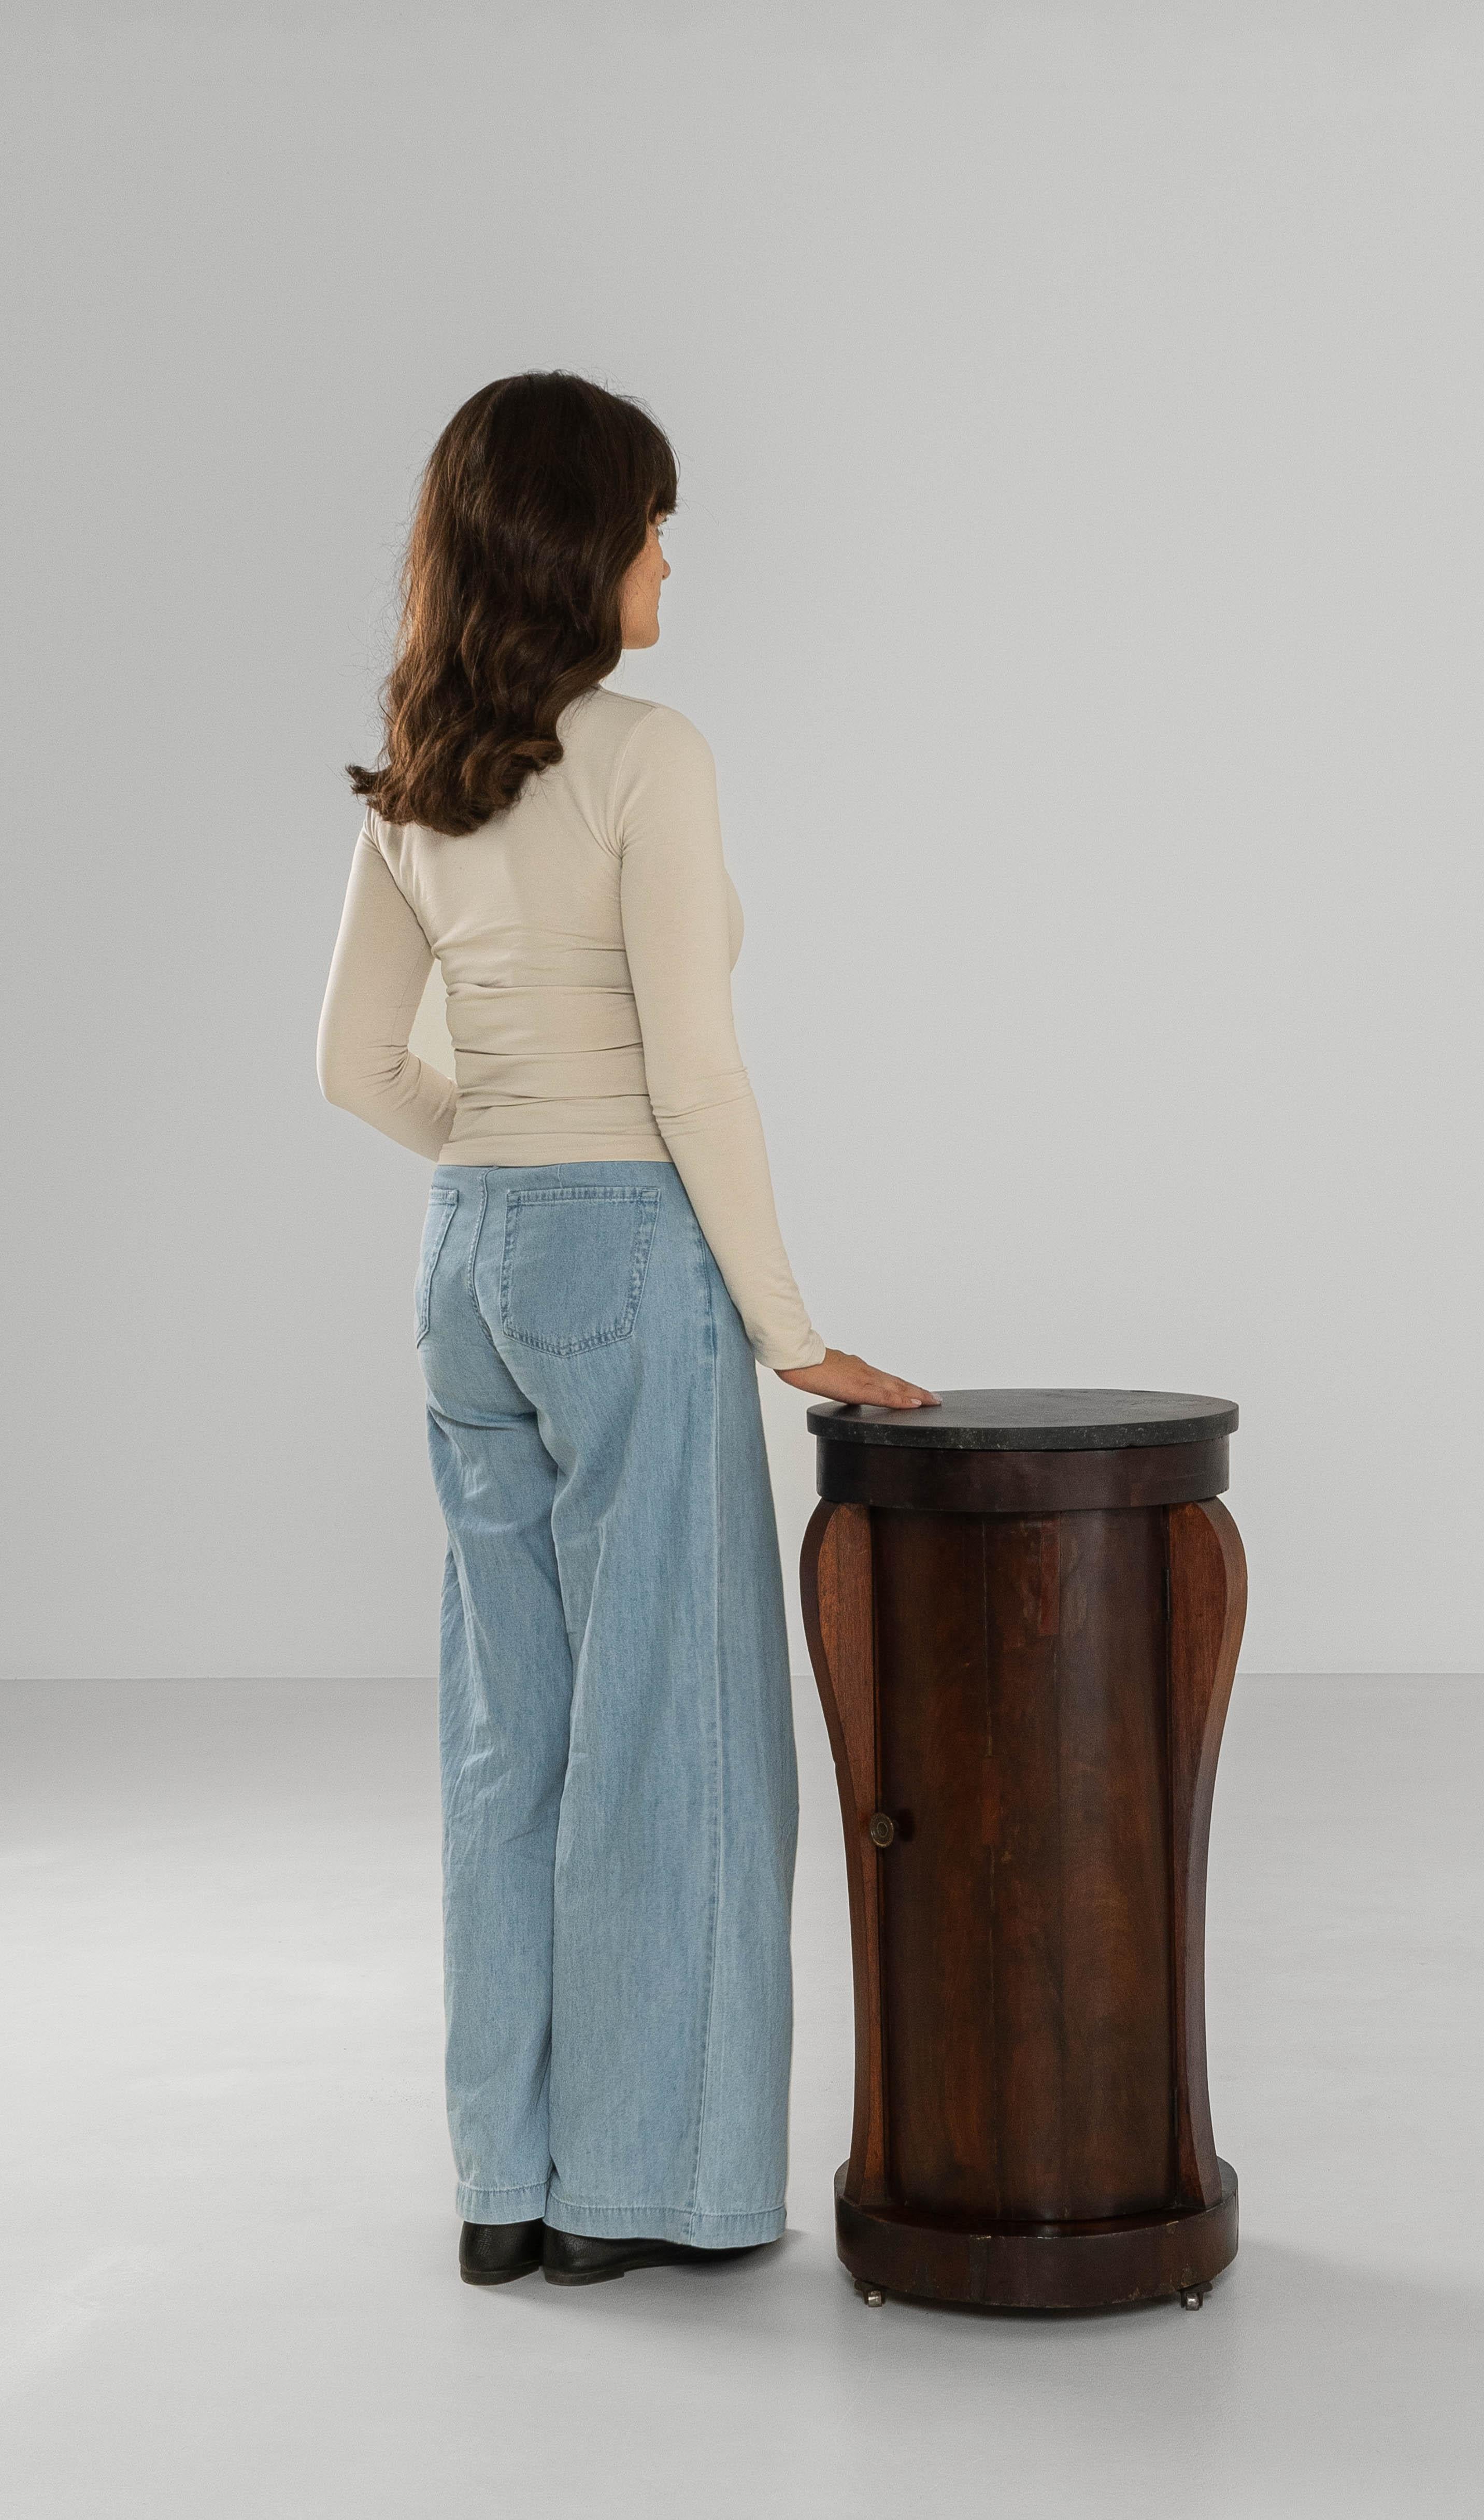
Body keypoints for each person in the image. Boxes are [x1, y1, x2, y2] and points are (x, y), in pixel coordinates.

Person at [317, 369, 936, 2289]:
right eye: (655, 519)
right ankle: (638, 2197)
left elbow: (349, 1066)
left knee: (513, 1734)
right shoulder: (649, 756)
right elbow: (694, 1073)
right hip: (624, 1264)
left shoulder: (422, 771)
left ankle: (505, 2185)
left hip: (464, 1268)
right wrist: (787, 1327)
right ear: (585, 544)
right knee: (669, 1733)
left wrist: (496, 1151)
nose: (673, 551)